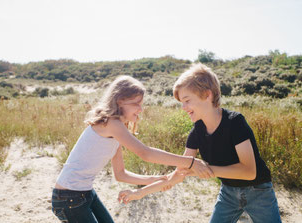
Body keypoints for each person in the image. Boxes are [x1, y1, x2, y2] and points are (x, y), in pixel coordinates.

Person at [119, 63, 282, 223]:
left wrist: (202, 169)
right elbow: (178, 174)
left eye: (187, 100)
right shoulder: (197, 131)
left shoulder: (235, 122)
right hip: (228, 194)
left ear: (207, 94)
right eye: (181, 102)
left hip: (259, 192)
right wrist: (139, 193)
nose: (183, 107)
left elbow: (249, 172)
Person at [51, 75, 214, 223]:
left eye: (141, 104)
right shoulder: (111, 123)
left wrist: (152, 180)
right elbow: (145, 153)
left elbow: (120, 174)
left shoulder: (117, 128)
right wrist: (191, 162)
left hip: (84, 193)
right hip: (69, 197)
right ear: (120, 101)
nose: (140, 109)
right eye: (136, 104)